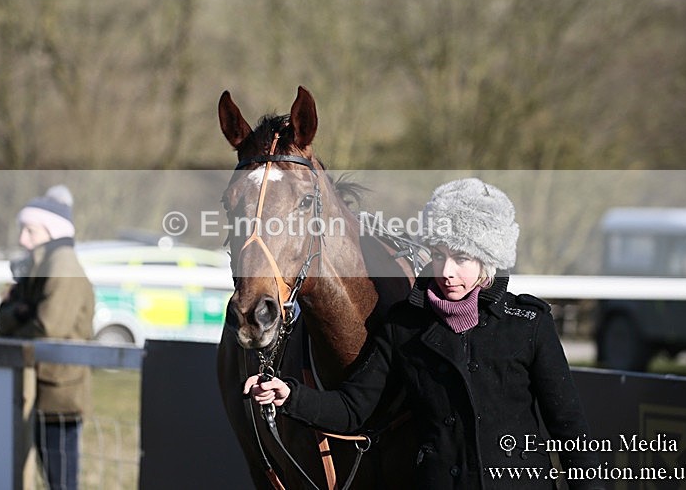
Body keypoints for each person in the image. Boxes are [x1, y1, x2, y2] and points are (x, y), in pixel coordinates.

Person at [245, 178, 602, 489]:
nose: (446, 271)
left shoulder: (528, 323)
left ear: (487, 259)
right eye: (437, 254)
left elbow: (570, 429)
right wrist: (288, 394)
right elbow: (352, 408)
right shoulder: (404, 326)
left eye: (461, 257)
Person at [0, 185, 95, 490]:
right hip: (37, 390)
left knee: (60, 482)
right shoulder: (39, 265)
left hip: (57, 397)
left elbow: (48, 325)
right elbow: (3, 318)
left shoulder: (62, 264)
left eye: (30, 230)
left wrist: (20, 320)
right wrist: (20, 316)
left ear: (51, 230)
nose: (22, 239)